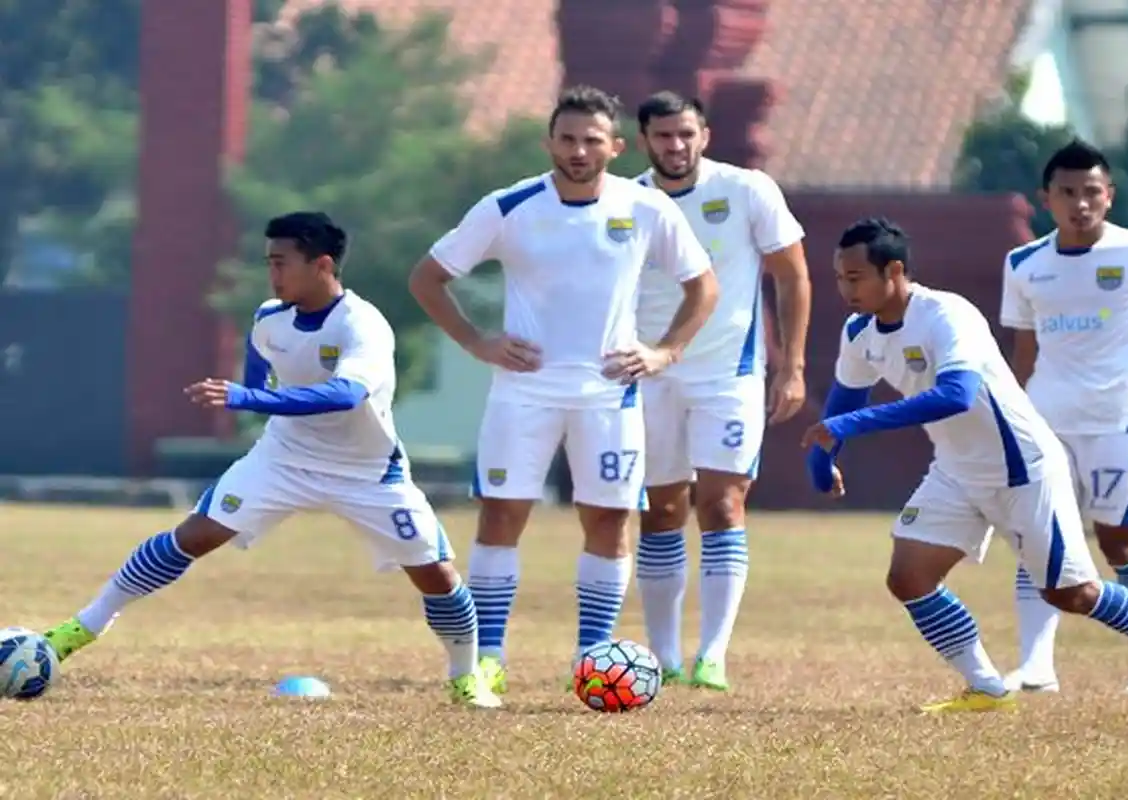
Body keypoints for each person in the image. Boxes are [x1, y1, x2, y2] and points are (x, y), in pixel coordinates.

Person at [41, 212, 501, 708]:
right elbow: (260, 382)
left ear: (322, 265)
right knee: (193, 535)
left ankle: (463, 677)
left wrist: (248, 399)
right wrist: (252, 396)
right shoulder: (268, 318)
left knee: (436, 575)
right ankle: (77, 630)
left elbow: (345, 394)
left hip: (367, 471)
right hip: (285, 458)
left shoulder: (362, 324)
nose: (273, 275)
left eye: (281, 263)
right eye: (269, 263)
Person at [802, 216, 1128, 714]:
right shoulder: (859, 331)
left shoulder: (947, 314)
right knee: (909, 577)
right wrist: (823, 457)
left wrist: (850, 427)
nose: (845, 289)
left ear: (894, 271)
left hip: (1023, 468)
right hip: (956, 469)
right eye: (840, 277)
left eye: (855, 277)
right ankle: (985, 686)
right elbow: (846, 396)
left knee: (1072, 593)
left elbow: (956, 394)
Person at [407, 85, 718, 694]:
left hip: (610, 395)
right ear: (549, 142)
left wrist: (664, 352)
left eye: (592, 140)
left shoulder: (646, 208)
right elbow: (428, 278)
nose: (579, 151)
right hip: (523, 392)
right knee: (502, 514)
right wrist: (478, 342)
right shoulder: (509, 205)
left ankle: (592, 658)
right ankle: (488, 657)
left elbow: (702, 287)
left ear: (616, 147)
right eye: (568, 139)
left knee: (609, 521)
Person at [999, 139, 1128, 695]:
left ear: (1109, 196)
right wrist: (1012, 416)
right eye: (1067, 192)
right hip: (1046, 422)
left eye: (1091, 192)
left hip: (1117, 423)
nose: (1079, 203)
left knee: (1118, 543)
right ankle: (1036, 665)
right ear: (1047, 199)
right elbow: (1024, 349)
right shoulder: (1023, 264)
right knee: (1039, 538)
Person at [631, 91, 811, 690]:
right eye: (663, 136)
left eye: (685, 134)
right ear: (644, 141)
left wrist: (793, 366)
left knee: (722, 503)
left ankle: (713, 654)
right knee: (660, 510)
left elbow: (792, 274)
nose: (675, 146)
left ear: (704, 135)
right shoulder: (628, 199)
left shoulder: (746, 190)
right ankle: (663, 655)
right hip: (650, 374)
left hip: (727, 375)